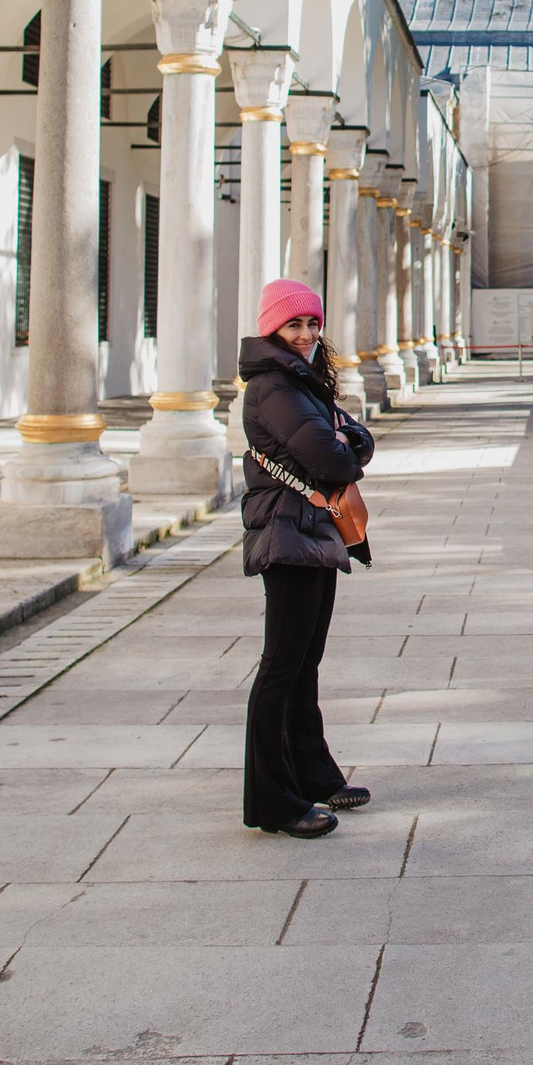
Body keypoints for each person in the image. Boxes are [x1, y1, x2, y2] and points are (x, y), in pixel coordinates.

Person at [239, 277, 375, 839]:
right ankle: (272, 802)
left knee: (304, 664)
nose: (305, 333)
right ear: (272, 327)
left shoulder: (303, 380)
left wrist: (346, 442)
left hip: (313, 530)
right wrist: (343, 444)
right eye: (293, 324)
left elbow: (356, 438)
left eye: (312, 323)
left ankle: (313, 776)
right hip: (287, 533)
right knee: (281, 668)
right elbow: (334, 454)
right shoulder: (274, 386)